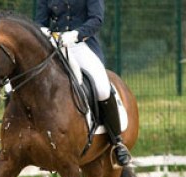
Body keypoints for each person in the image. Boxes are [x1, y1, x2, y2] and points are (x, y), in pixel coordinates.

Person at [35, 0, 131, 166]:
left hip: (81, 45)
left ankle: (117, 142)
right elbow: (40, 21)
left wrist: (75, 35)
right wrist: (44, 32)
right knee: (20, 80)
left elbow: (96, 19)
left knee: (102, 88)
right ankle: (12, 139)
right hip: (52, 45)